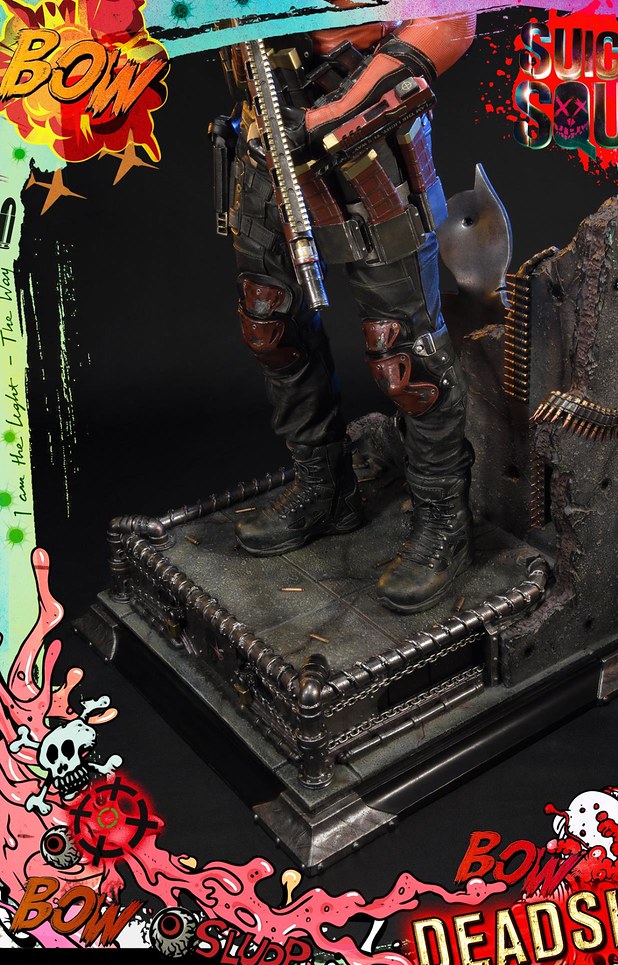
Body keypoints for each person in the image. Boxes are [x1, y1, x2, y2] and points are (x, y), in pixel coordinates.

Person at [220, 10, 478, 615]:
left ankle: (444, 522)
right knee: (269, 324)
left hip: (368, 149)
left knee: (407, 360)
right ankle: (324, 490)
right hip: (268, 141)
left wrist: (328, 118)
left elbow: (453, 20)